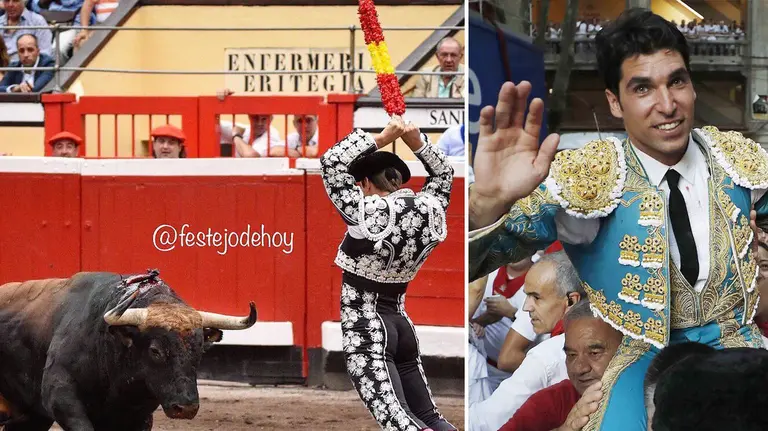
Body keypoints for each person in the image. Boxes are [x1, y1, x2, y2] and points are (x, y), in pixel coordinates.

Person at [468, 8, 768, 431]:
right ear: (614, 101)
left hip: (738, 342)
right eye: (642, 88)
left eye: (676, 81)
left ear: (692, 85)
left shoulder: (738, 159)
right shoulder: (590, 176)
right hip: (639, 353)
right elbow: (475, 259)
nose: (667, 105)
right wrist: (486, 205)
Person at [320, 116, 456, 431]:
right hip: (400, 324)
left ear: (366, 183)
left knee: (400, 422)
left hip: (365, 327)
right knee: (429, 418)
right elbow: (444, 173)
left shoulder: (366, 214)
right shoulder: (431, 210)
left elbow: (330, 163)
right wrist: (416, 141)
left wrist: (382, 138)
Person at [469, 250, 585, 431]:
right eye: (527, 296)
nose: (526, 307)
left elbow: (487, 422)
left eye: (536, 298)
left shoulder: (544, 358)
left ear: (571, 301)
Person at [498, 300, 623, 431]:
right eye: (572, 355)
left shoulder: (644, 402)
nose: (579, 368)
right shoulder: (554, 400)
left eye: (594, 353)